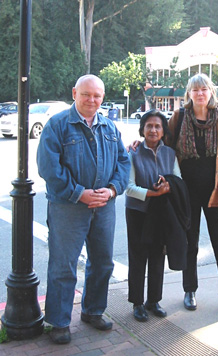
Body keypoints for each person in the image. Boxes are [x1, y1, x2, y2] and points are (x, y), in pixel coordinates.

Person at [37, 74, 131, 344]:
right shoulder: (57, 126)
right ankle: (59, 321)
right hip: (68, 207)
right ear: (74, 92)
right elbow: (49, 168)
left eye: (97, 96)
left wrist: (112, 189)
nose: (92, 100)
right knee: (64, 266)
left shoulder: (111, 128)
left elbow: (124, 164)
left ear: (102, 97)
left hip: (104, 206)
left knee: (102, 262)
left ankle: (92, 311)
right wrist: (80, 194)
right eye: (86, 94)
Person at [166, 73, 218, 318]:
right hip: (186, 192)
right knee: (190, 243)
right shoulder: (178, 118)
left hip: (215, 192)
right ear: (189, 94)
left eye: (204, 89)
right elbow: (164, 147)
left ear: (211, 92)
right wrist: (138, 145)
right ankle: (189, 290)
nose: (200, 94)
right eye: (195, 90)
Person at [125, 110, 190, 322]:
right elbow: (129, 187)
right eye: (149, 126)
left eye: (158, 126)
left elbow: (178, 180)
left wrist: (168, 185)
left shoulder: (170, 154)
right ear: (142, 129)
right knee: (137, 257)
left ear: (163, 131)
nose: (153, 130)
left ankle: (153, 300)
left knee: (157, 256)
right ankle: (137, 303)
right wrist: (153, 192)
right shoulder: (133, 153)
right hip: (138, 212)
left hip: (161, 212)